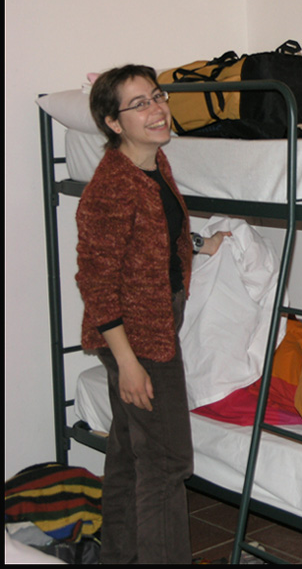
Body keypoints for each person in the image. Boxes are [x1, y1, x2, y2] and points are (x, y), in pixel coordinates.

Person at [76, 65, 229, 563]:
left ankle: (118, 558)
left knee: (128, 455)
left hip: (154, 325)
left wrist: (200, 244)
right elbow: (96, 282)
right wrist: (127, 363)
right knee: (167, 464)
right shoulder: (111, 187)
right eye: (139, 104)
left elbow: (152, 239)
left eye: (157, 96)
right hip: (138, 338)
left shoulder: (153, 164)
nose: (157, 109)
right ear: (112, 122)